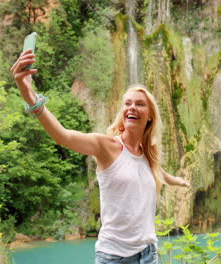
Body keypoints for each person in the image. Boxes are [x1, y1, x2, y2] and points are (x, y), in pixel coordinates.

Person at [11, 49, 190, 264]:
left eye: (140, 104)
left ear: (150, 116)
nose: (132, 107)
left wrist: (177, 181)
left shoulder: (147, 156)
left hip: (149, 254)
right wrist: (29, 94)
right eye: (127, 103)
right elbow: (63, 136)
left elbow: (159, 172)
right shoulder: (107, 146)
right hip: (114, 257)